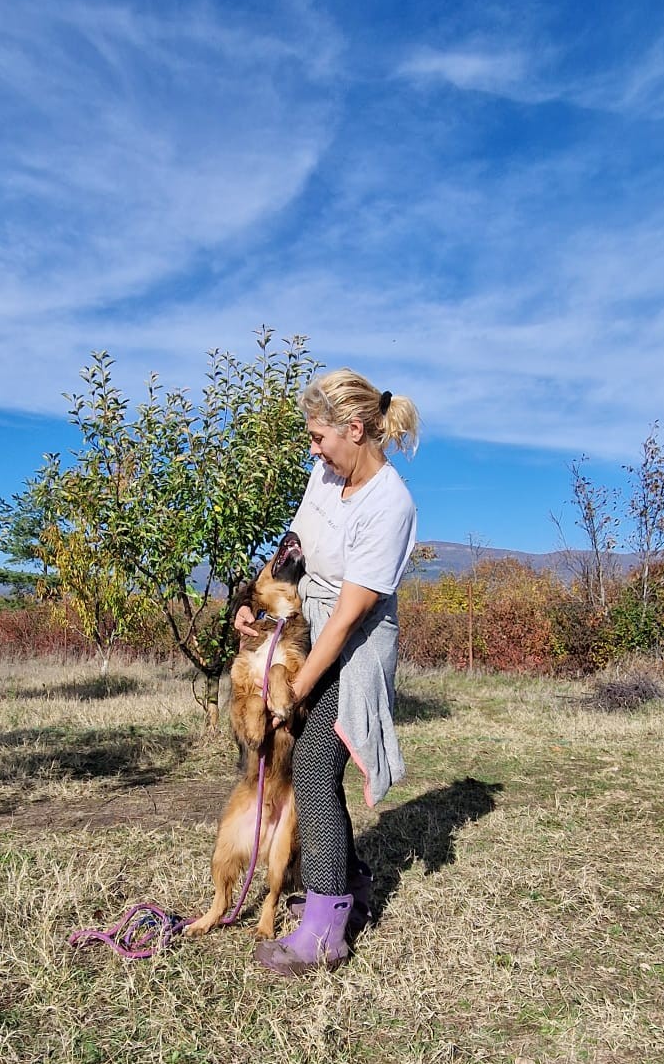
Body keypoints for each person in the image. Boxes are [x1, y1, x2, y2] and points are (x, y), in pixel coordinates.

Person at [235, 368, 420, 975]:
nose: (312, 450)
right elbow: (294, 546)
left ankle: (322, 932)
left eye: (319, 437)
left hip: (355, 644)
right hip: (307, 629)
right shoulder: (325, 475)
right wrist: (255, 603)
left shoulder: (389, 501)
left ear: (356, 429)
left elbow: (347, 618)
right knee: (305, 765)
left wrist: (298, 687)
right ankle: (349, 880)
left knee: (314, 762)